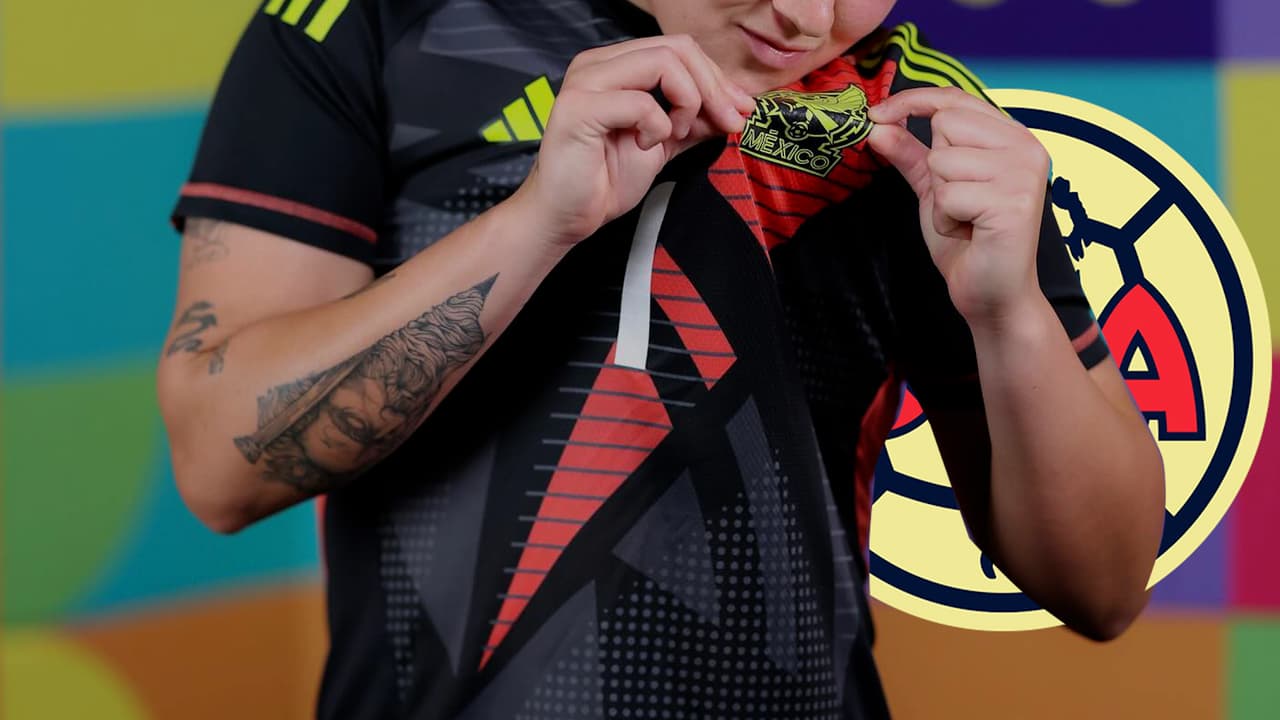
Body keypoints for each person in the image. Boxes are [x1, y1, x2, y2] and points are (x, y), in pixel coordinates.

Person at [157, 0, 1165, 717]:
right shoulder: (375, 22)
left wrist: (1007, 314)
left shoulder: (925, 123)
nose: (808, 17)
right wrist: (538, 224)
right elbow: (220, 464)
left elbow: (1105, 589)